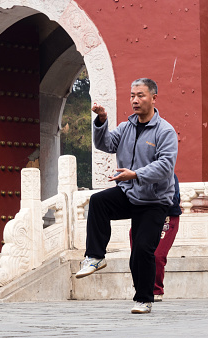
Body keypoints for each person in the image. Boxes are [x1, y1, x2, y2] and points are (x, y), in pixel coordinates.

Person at [75, 78, 178, 314]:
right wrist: (101, 121)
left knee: (142, 250)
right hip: (129, 193)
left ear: (153, 98)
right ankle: (95, 256)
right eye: (132, 95)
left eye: (140, 95)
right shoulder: (126, 127)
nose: (135, 100)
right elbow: (106, 144)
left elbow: (165, 166)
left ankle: (144, 299)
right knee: (99, 202)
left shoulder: (165, 131)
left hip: (154, 200)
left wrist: (135, 174)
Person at [129, 174, 182, 302]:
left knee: (157, 255)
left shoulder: (169, 175)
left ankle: (156, 290)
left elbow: (173, 200)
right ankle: (141, 288)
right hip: (142, 218)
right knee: (137, 255)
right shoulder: (136, 174)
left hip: (166, 217)